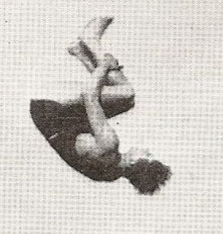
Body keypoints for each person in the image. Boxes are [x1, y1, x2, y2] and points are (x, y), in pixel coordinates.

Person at [30, 17, 171, 194]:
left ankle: (90, 41)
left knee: (127, 93)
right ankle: (81, 51)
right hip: (52, 120)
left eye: (148, 155)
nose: (147, 150)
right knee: (126, 102)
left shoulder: (109, 144)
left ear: (136, 162)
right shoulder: (109, 174)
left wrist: (105, 65)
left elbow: (89, 95)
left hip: (51, 109)